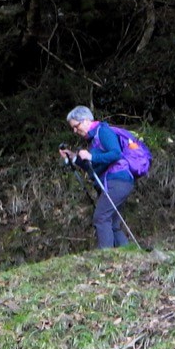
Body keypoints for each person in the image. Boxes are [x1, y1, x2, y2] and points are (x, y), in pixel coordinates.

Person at [60, 106, 135, 248]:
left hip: (117, 180)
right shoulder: (94, 138)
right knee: (113, 223)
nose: (75, 131)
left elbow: (116, 154)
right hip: (115, 181)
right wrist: (74, 157)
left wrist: (91, 156)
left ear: (86, 120)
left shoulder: (103, 131)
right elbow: (94, 165)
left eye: (76, 126)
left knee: (101, 217)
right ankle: (128, 255)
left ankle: (105, 258)